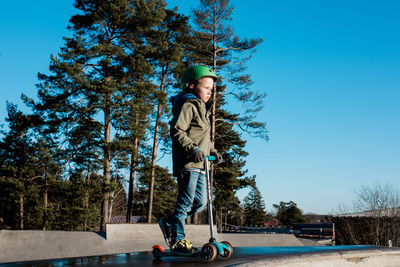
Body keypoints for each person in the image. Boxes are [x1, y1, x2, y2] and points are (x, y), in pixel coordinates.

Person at [158, 65, 223, 253]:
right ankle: (177, 239)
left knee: (201, 203)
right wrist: (192, 148)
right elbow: (177, 130)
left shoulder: (203, 109)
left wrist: (213, 150)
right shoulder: (188, 104)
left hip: (201, 164)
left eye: (212, 89)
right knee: (185, 201)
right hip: (188, 163)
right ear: (192, 86)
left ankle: (169, 222)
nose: (210, 92)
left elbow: (201, 137)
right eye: (206, 88)